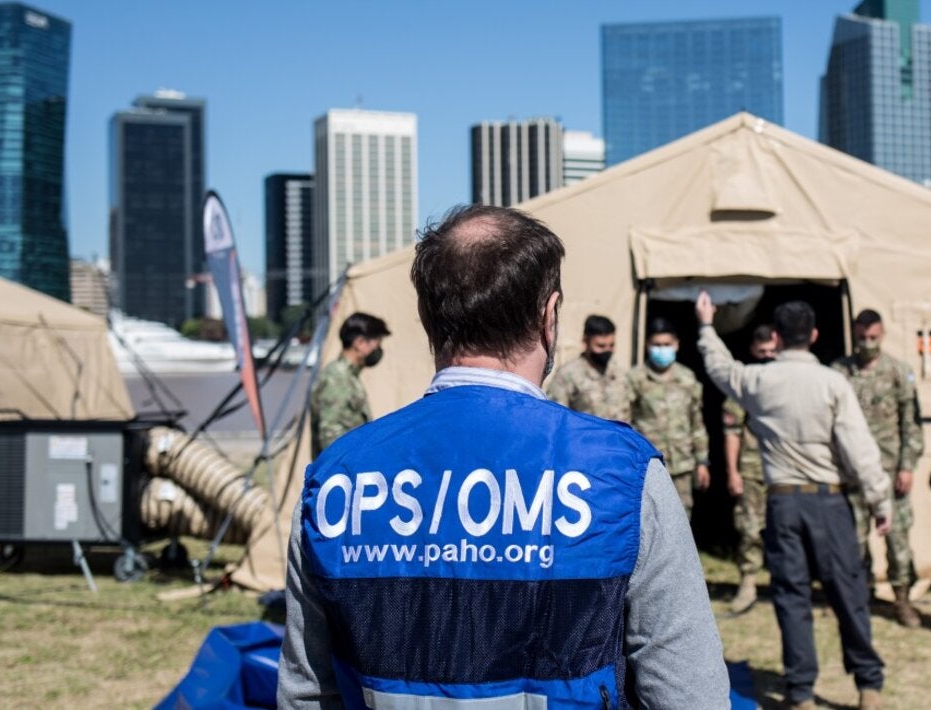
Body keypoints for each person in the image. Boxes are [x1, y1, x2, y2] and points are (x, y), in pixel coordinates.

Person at [279, 205, 729, 708]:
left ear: (427, 318)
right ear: (549, 315)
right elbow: (690, 691)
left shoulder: (335, 481)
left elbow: (307, 694)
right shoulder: (622, 475)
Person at [696, 293, 890, 710]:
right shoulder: (833, 382)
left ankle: (800, 692)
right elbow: (859, 447)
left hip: (782, 503)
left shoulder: (758, 380)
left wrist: (708, 326)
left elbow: (719, 368)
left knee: (791, 597)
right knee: (848, 593)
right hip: (830, 503)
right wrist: (879, 500)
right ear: (815, 335)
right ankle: (868, 685)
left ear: (778, 337)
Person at [831, 309, 924, 628]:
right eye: (861, 337)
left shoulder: (898, 372)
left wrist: (907, 467)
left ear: (882, 334)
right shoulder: (839, 372)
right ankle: (861, 595)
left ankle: (903, 600)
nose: (867, 343)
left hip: (890, 472)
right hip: (851, 473)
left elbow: (912, 425)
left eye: (873, 337)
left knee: (898, 542)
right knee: (853, 542)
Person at [626, 317, 710, 519]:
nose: (661, 349)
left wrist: (702, 462)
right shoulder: (635, 378)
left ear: (676, 344)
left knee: (681, 517)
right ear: (647, 345)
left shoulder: (687, 378)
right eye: (656, 345)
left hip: (682, 463)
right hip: (648, 464)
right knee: (648, 517)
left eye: (666, 344)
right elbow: (625, 421)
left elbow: (696, 423)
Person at [724, 324, 778, 615]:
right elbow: (731, 430)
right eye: (762, 353)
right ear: (752, 352)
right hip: (753, 468)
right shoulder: (742, 384)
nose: (767, 356)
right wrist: (733, 471)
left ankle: (787, 584)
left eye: (772, 351)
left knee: (787, 531)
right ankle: (748, 583)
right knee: (749, 528)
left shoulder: (788, 380)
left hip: (787, 470)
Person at [309, 312, 389, 457]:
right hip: (341, 474)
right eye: (377, 343)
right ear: (360, 343)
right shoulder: (337, 377)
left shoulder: (349, 377)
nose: (378, 350)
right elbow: (330, 435)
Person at [545, 314, 629, 420]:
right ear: (586, 342)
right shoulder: (567, 374)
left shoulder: (619, 373)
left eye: (611, 345)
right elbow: (556, 416)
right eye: (600, 346)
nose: (607, 351)